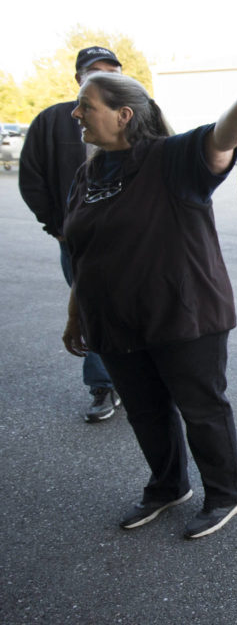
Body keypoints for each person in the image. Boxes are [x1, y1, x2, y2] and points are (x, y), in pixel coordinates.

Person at [61, 72, 237, 538]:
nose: (76, 114)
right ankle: (167, 485)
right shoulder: (87, 174)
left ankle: (226, 491)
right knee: (145, 409)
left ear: (123, 115)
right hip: (114, 322)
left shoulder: (169, 159)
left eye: (85, 106)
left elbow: (221, 137)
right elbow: (82, 251)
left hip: (182, 314)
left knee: (200, 407)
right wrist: (76, 315)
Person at [19, 46, 122, 422]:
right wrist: (59, 228)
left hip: (130, 241)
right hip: (77, 241)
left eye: (112, 71)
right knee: (91, 306)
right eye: (95, 72)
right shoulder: (54, 121)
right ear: (78, 78)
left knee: (137, 304)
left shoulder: (136, 116)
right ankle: (102, 386)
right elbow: (32, 179)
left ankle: (141, 379)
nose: (104, 77)